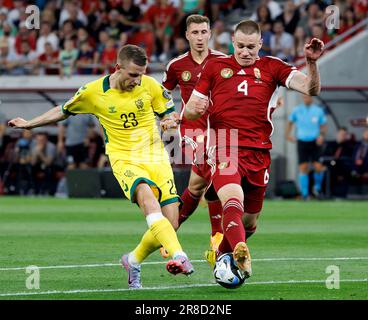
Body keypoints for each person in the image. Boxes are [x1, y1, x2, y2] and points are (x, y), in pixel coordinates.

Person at [8, 44, 194, 289]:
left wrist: (170, 123)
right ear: (118, 68)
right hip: (124, 159)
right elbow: (63, 110)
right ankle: (180, 256)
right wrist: (30, 124)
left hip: (156, 157)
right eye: (133, 75)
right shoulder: (93, 92)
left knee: (171, 224)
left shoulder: (150, 85)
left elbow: (167, 115)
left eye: (141, 74)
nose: (138, 81)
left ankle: (133, 259)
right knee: (148, 201)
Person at [184, 20, 324, 278]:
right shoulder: (215, 66)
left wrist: (312, 63)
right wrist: (194, 110)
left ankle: (224, 255)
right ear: (232, 44)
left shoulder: (273, 67)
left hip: (259, 151)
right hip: (225, 143)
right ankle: (239, 250)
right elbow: (191, 109)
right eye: (240, 46)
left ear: (260, 44)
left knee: (249, 223)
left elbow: (311, 89)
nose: (245, 52)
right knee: (232, 197)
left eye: (251, 46)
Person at [162, 14, 226, 267]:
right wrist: (169, 116)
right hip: (192, 132)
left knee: (204, 187)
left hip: (222, 131)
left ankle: (168, 233)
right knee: (213, 177)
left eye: (203, 32)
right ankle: (216, 241)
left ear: (210, 33)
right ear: (187, 35)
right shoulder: (176, 65)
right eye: (195, 33)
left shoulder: (224, 61)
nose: (200, 37)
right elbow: (163, 93)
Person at [286, 94, 327, 200]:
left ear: (311, 98)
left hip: (315, 141)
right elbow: (290, 122)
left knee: (318, 166)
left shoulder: (318, 111)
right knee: (303, 168)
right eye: (304, 97)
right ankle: (305, 194)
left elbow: (323, 126)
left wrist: (321, 136)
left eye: (308, 97)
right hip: (302, 141)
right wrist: (288, 135)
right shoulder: (297, 110)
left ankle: (317, 188)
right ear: (302, 98)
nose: (306, 99)